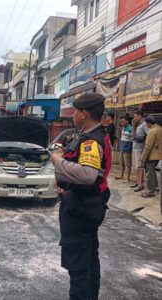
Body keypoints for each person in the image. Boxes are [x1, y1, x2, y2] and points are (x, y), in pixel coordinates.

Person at [51, 93, 112, 300]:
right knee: (88, 262)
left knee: (78, 269)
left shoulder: (91, 141)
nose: (73, 115)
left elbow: (88, 175)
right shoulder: (88, 134)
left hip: (81, 210)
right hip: (87, 206)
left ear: (85, 114)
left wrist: (57, 161)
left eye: (76, 111)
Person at [141, 115, 162, 198]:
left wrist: (143, 157)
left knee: (150, 174)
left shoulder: (152, 131)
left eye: (146, 123)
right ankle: (156, 187)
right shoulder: (160, 129)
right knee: (154, 173)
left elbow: (148, 146)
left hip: (152, 156)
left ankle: (150, 191)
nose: (145, 124)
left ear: (148, 123)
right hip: (159, 154)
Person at [131, 111, 148, 192]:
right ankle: (138, 182)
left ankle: (141, 184)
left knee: (140, 167)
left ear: (140, 116)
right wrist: (133, 126)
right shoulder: (137, 125)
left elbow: (149, 135)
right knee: (135, 166)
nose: (134, 119)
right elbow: (133, 136)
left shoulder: (144, 124)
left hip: (140, 148)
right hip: (135, 147)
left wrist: (145, 148)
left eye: (135, 117)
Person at [115, 114, 132, 182]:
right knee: (122, 163)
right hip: (122, 147)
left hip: (127, 148)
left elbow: (132, 139)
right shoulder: (123, 128)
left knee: (127, 164)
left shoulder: (130, 128)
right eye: (121, 121)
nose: (122, 123)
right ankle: (122, 175)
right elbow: (120, 137)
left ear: (127, 121)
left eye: (123, 121)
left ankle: (127, 178)